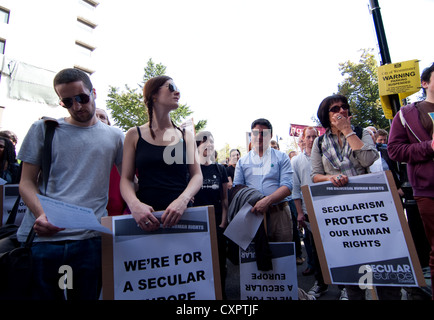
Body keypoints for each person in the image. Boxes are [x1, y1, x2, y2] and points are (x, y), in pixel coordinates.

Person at [17, 68, 124, 300]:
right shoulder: (43, 129)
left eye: (82, 98)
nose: (77, 106)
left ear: (93, 92)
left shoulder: (115, 136)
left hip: (90, 240)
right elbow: (26, 182)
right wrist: (41, 214)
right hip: (44, 241)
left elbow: (128, 182)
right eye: (67, 102)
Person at [310, 94, 402, 300]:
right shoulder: (319, 142)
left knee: (383, 269)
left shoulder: (361, 133)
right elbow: (314, 176)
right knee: (354, 274)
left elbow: (369, 158)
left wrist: (347, 131)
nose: (342, 111)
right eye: (335, 109)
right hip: (342, 212)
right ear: (326, 115)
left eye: (344, 107)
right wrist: (330, 178)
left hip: (370, 208)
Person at [120, 75, 202, 230]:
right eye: (171, 87)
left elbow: (197, 175)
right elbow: (126, 179)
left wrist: (183, 200)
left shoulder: (186, 135)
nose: (177, 92)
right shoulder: (134, 134)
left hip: (182, 216)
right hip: (145, 218)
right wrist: (135, 205)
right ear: (153, 95)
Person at [388, 62, 434, 300]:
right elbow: (395, 150)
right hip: (429, 190)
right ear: (424, 83)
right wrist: (429, 147)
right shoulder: (407, 114)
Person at [233, 118, 293, 243]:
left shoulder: (282, 158)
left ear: (270, 135)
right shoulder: (242, 162)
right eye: (256, 133)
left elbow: (287, 187)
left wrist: (267, 201)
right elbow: (237, 188)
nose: (259, 137)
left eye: (263, 133)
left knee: (283, 257)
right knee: (257, 259)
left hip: (279, 214)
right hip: (253, 216)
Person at [194, 131, 229, 298]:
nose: (209, 145)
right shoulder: (192, 169)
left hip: (217, 224)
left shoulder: (219, 169)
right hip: (197, 226)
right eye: (204, 142)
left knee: (219, 263)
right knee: (201, 264)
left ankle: (221, 294)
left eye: (212, 142)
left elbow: (224, 200)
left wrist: (223, 222)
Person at [291, 126, 319, 277]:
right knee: (311, 244)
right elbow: (295, 188)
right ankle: (317, 277)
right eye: (308, 137)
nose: (311, 140)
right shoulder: (296, 161)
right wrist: (299, 212)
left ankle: (341, 287)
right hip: (307, 210)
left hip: (325, 208)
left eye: (314, 137)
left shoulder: (324, 156)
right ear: (303, 138)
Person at [96, 108, 128, 216]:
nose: (99, 120)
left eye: (102, 117)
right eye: (95, 116)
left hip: (116, 217)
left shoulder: (122, 155)